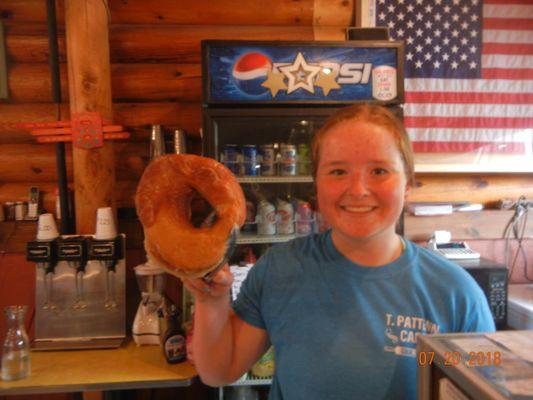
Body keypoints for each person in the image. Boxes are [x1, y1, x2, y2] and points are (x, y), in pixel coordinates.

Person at [182, 104, 495, 400]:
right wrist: (211, 300)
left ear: (408, 184)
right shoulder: (280, 268)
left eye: (379, 171)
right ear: (316, 183)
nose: (358, 190)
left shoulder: (456, 294)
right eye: (337, 171)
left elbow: (483, 387)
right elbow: (220, 371)